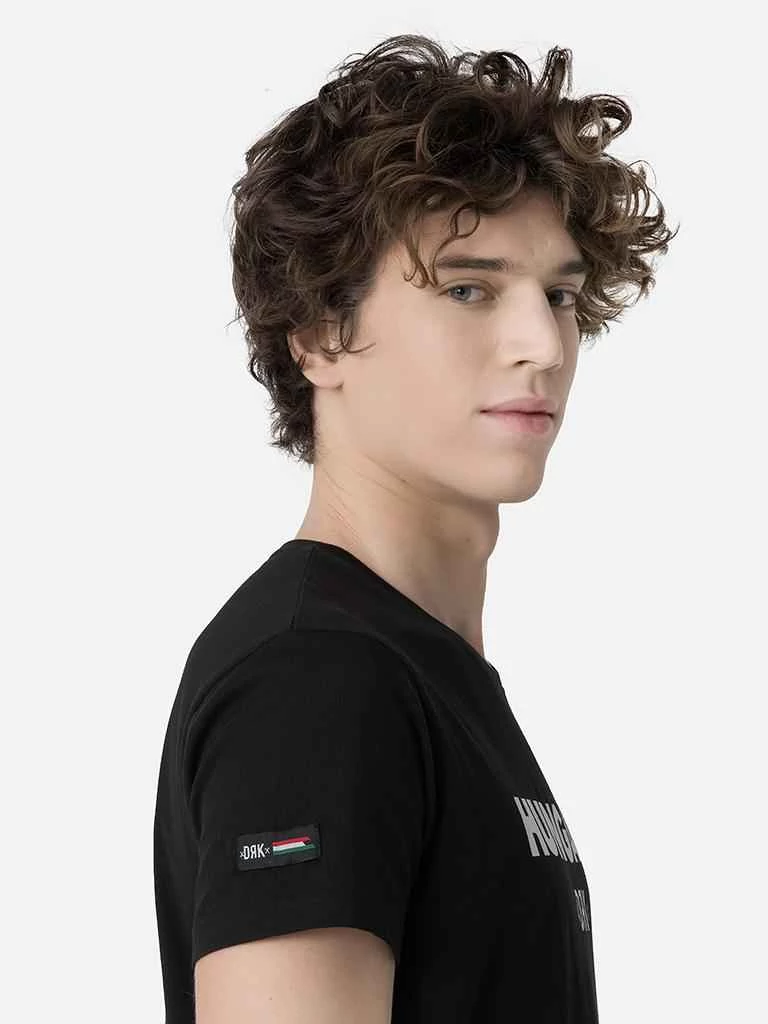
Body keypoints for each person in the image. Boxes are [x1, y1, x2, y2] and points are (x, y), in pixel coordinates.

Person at [154, 32, 677, 1023]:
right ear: (319, 332)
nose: (542, 344)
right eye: (468, 288)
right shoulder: (318, 681)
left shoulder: (416, 670)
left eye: (559, 295)